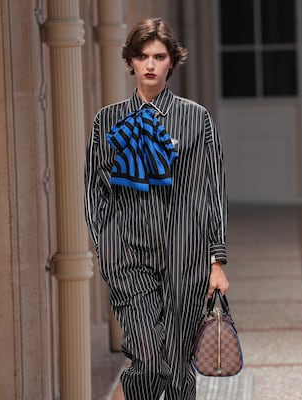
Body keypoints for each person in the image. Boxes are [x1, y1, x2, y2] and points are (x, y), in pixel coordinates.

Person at [84, 17, 229, 400]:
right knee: (147, 356)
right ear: (130, 61)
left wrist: (216, 260)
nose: (150, 64)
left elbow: (210, 190)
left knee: (178, 363)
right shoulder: (108, 121)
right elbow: (95, 189)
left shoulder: (196, 119)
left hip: (185, 253)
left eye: (159, 56)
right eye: (143, 56)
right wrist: (106, 245)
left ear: (172, 62)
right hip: (128, 254)